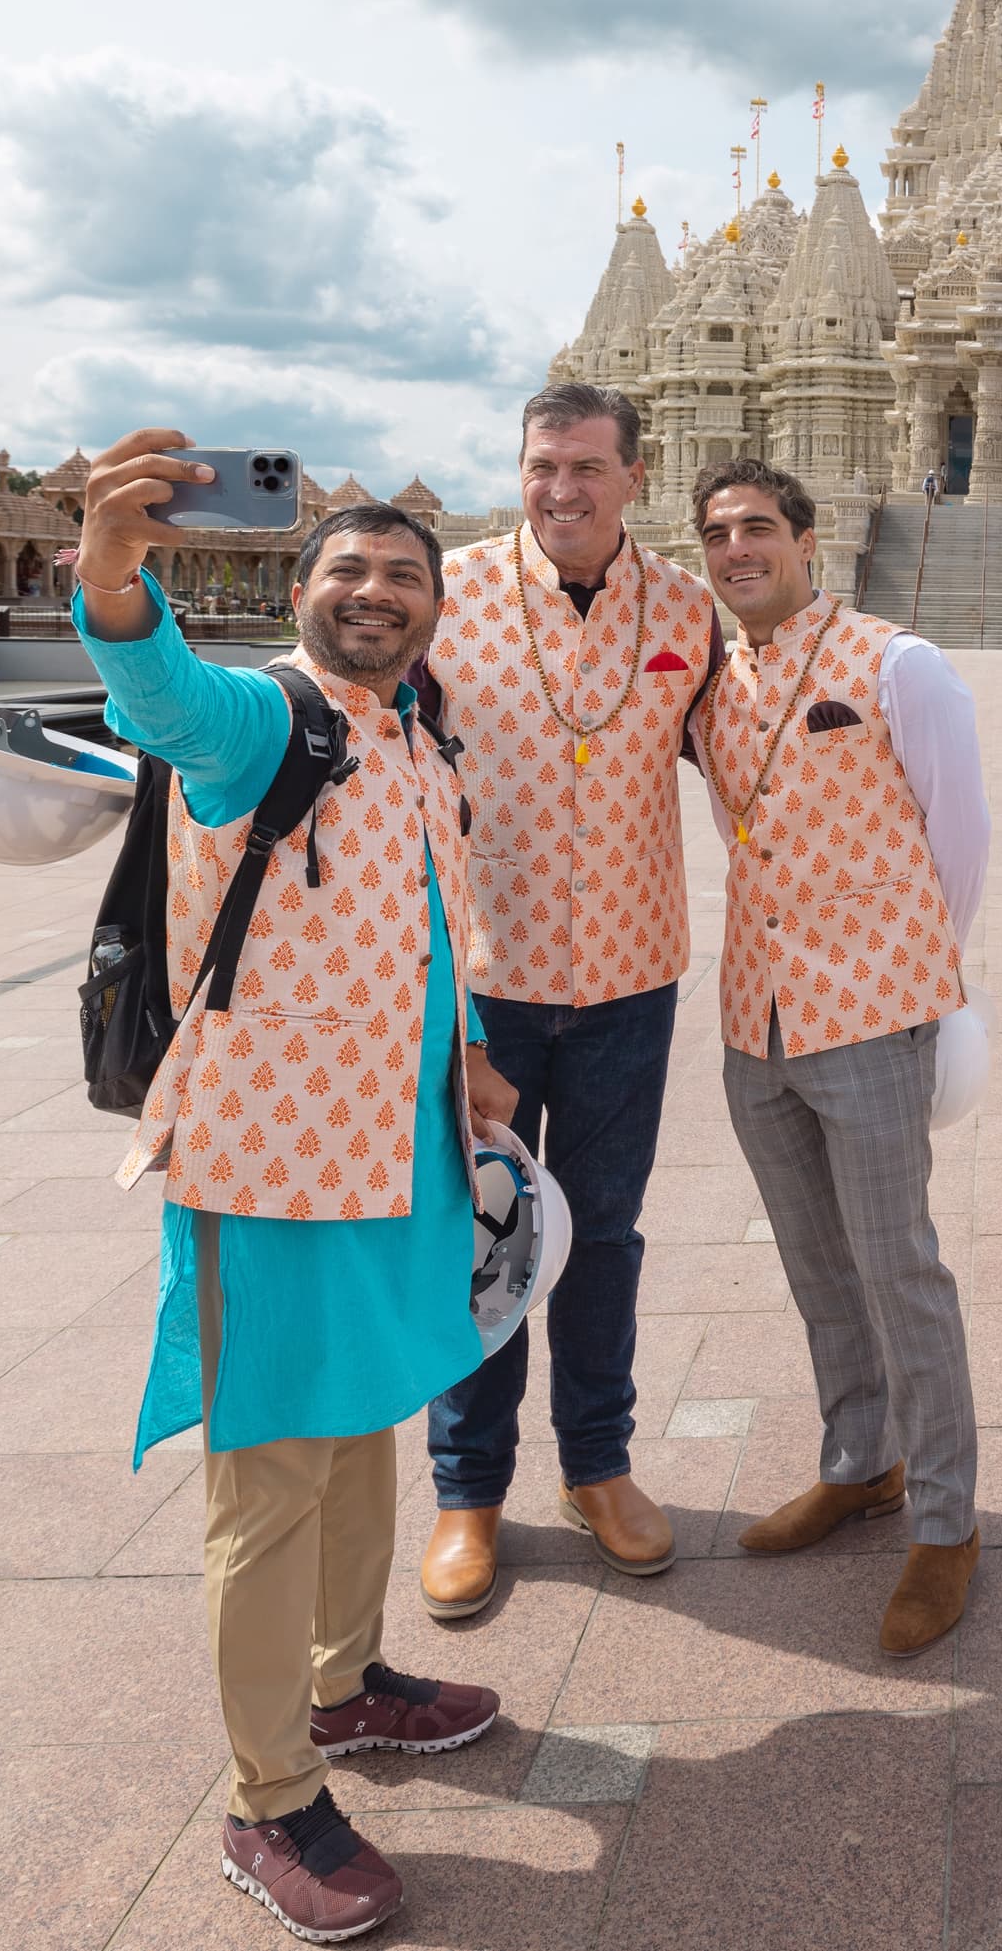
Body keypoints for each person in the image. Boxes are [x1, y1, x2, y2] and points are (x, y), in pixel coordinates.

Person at [73, 433, 505, 1945]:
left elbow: (430, 929)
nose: (375, 592)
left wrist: (475, 1065)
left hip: (401, 1153)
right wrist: (116, 579)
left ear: (433, 606)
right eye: (347, 570)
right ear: (302, 590)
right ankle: (267, 1801)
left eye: (403, 574)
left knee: (366, 1417)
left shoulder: (413, 739)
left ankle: (347, 1681)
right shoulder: (275, 725)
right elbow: (165, 700)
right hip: (269, 1160)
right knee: (269, 1476)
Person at [413, 382, 715, 1617]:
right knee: (477, 1232)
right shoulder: (444, 596)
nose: (562, 489)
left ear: (634, 476)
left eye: (588, 467)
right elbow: (344, 719)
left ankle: (599, 1464)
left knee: (603, 1234)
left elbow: (765, 753)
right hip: (482, 985)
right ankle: (467, 1491)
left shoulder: (690, 610)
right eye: (544, 465)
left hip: (630, 977)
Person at [686, 456, 990, 1655]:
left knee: (897, 1263)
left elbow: (959, 834)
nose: (736, 550)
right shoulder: (719, 688)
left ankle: (949, 1520)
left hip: (873, 1011)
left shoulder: (897, 663)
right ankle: (862, 1459)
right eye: (716, 533)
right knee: (818, 1263)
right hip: (756, 1018)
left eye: (758, 527)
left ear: (809, 541)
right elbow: (736, 824)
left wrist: (922, 981)